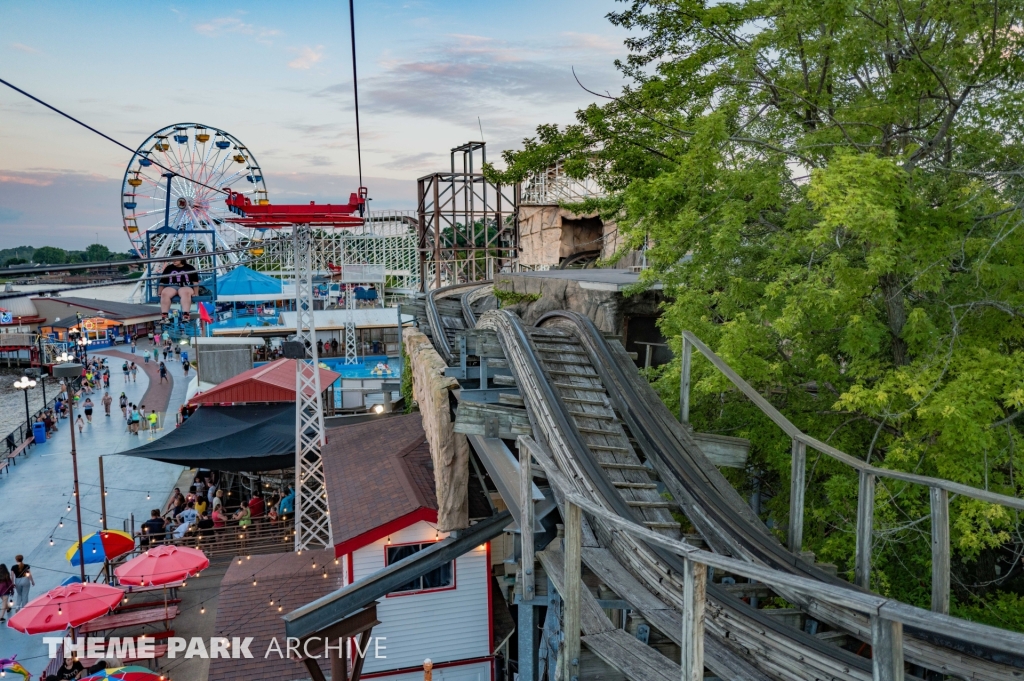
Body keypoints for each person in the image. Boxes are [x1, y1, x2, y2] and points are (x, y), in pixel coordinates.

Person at [158, 251, 200, 323]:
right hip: (172, 286)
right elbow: (162, 281)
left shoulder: (190, 268)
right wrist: (160, 292)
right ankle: (164, 316)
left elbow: (195, 282)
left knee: (185, 292)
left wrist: (196, 293)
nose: (174, 261)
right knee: (164, 293)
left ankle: (186, 315)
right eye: (172, 259)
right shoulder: (169, 268)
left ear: (181, 259)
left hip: (186, 286)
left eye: (176, 259)